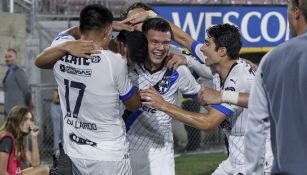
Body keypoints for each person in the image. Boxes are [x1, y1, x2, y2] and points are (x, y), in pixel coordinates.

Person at [35, 4, 140, 175]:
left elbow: (69, 34)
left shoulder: (61, 49)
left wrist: (69, 44)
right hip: (108, 155)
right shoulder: (114, 61)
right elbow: (133, 104)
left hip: (74, 151)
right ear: (107, 30)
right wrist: (130, 69)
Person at [140, 23, 255, 175]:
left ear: (222, 51)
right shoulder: (220, 65)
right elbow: (185, 40)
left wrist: (163, 105)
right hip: (236, 155)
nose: (202, 48)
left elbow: (208, 123)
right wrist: (150, 16)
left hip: (255, 158)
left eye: (207, 44)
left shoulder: (238, 78)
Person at [124, 18, 202, 175]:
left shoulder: (177, 70)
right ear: (143, 42)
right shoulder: (127, 66)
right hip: (125, 149)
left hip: (160, 154)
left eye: (165, 43)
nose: (161, 48)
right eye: (154, 42)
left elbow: (204, 97)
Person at [244, 0, 307, 174]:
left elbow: (256, 126)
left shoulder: (272, 59)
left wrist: (253, 171)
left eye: (287, 8)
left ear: (296, 12)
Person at [0, 106, 49, 175]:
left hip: (14, 173)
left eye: (31, 120)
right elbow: (2, 172)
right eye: (25, 119)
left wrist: (34, 138)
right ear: (16, 119)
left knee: (45, 170)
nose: (29, 123)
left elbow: (35, 163)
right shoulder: (7, 139)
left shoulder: (17, 140)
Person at [2, 48, 32, 116]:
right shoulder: (8, 72)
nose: (7, 59)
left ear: (15, 58)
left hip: (18, 110)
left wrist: (28, 104)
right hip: (9, 108)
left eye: (10, 56)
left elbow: (26, 90)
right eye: (6, 57)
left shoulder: (19, 72)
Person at [50, 89, 62, 159]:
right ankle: (56, 150)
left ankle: (63, 149)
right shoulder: (56, 90)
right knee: (57, 130)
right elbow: (55, 100)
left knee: (63, 130)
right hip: (56, 107)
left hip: (62, 107)